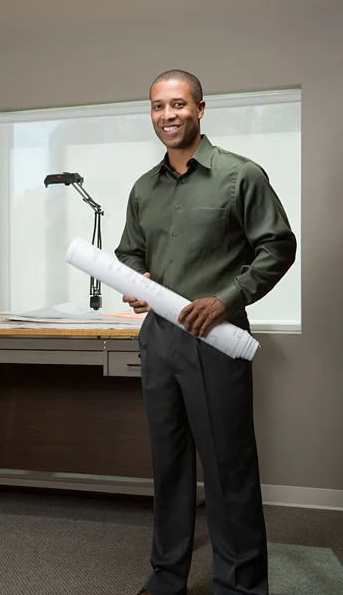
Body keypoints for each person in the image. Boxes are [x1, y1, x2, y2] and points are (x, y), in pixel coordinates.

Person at [115, 69, 296, 595]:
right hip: (159, 341)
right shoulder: (142, 188)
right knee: (168, 465)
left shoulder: (241, 176)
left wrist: (228, 298)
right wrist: (136, 281)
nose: (166, 115)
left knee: (227, 466)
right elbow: (131, 253)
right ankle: (168, 575)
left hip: (216, 339)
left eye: (177, 105)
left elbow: (277, 247)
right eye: (156, 106)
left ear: (199, 109)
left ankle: (239, 585)